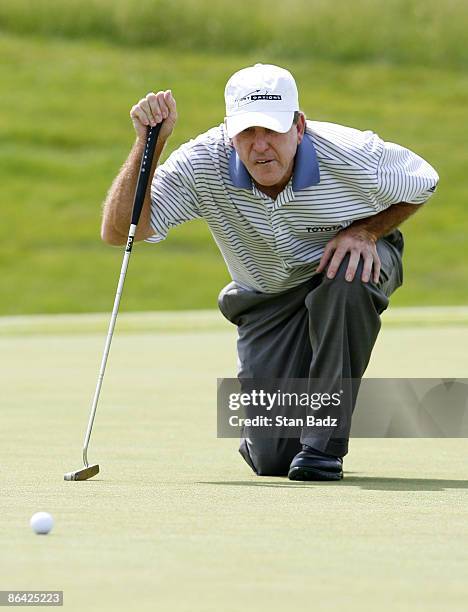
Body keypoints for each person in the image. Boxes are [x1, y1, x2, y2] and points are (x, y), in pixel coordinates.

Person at [101, 63, 439, 481]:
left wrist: (365, 231)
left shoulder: (353, 154)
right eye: (247, 133)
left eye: (273, 131)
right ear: (229, 133)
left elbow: (424, 180)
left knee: (347, 278)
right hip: (268, 298)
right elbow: (119, 231)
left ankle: (323, 446)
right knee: (273, 459)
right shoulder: (201, 164)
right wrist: (147, 146)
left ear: (299, 126)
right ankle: (287, 419)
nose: (260, 146)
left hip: (351, 263)